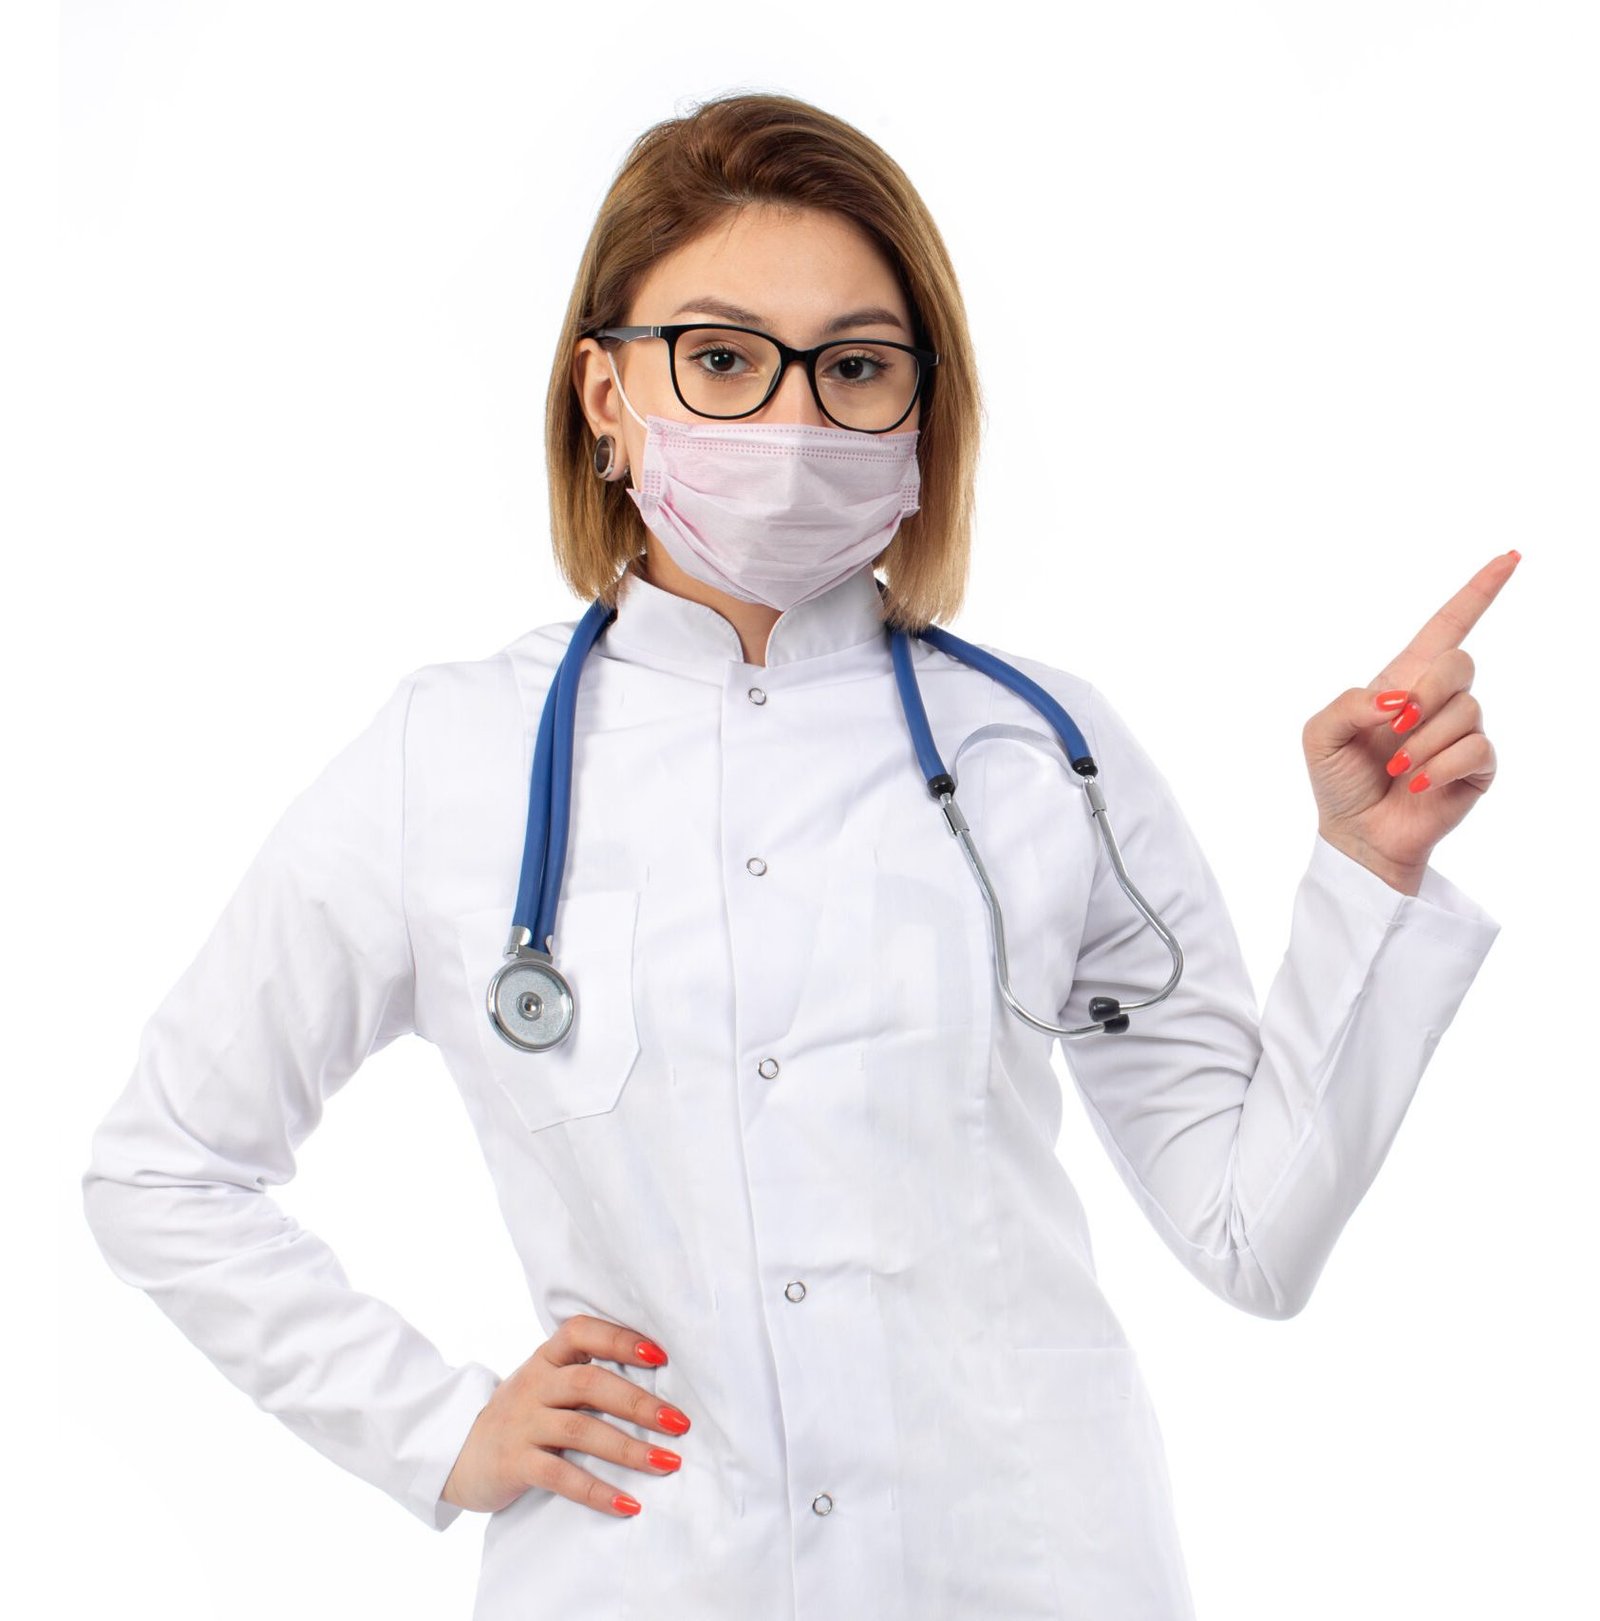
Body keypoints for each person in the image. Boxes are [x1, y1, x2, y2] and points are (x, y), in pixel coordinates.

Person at [82, 91, 1513, 1620]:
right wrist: (440, 1428)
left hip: (1031, 1570)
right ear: (604, 392)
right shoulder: (452, 759)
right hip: (644, 1575)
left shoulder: (1042, 754)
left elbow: (1252, 1232)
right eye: (719, 356)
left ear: (919, 405)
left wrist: (1370, 872)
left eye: (853, 367)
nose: (789, 421)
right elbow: (163, 1167)